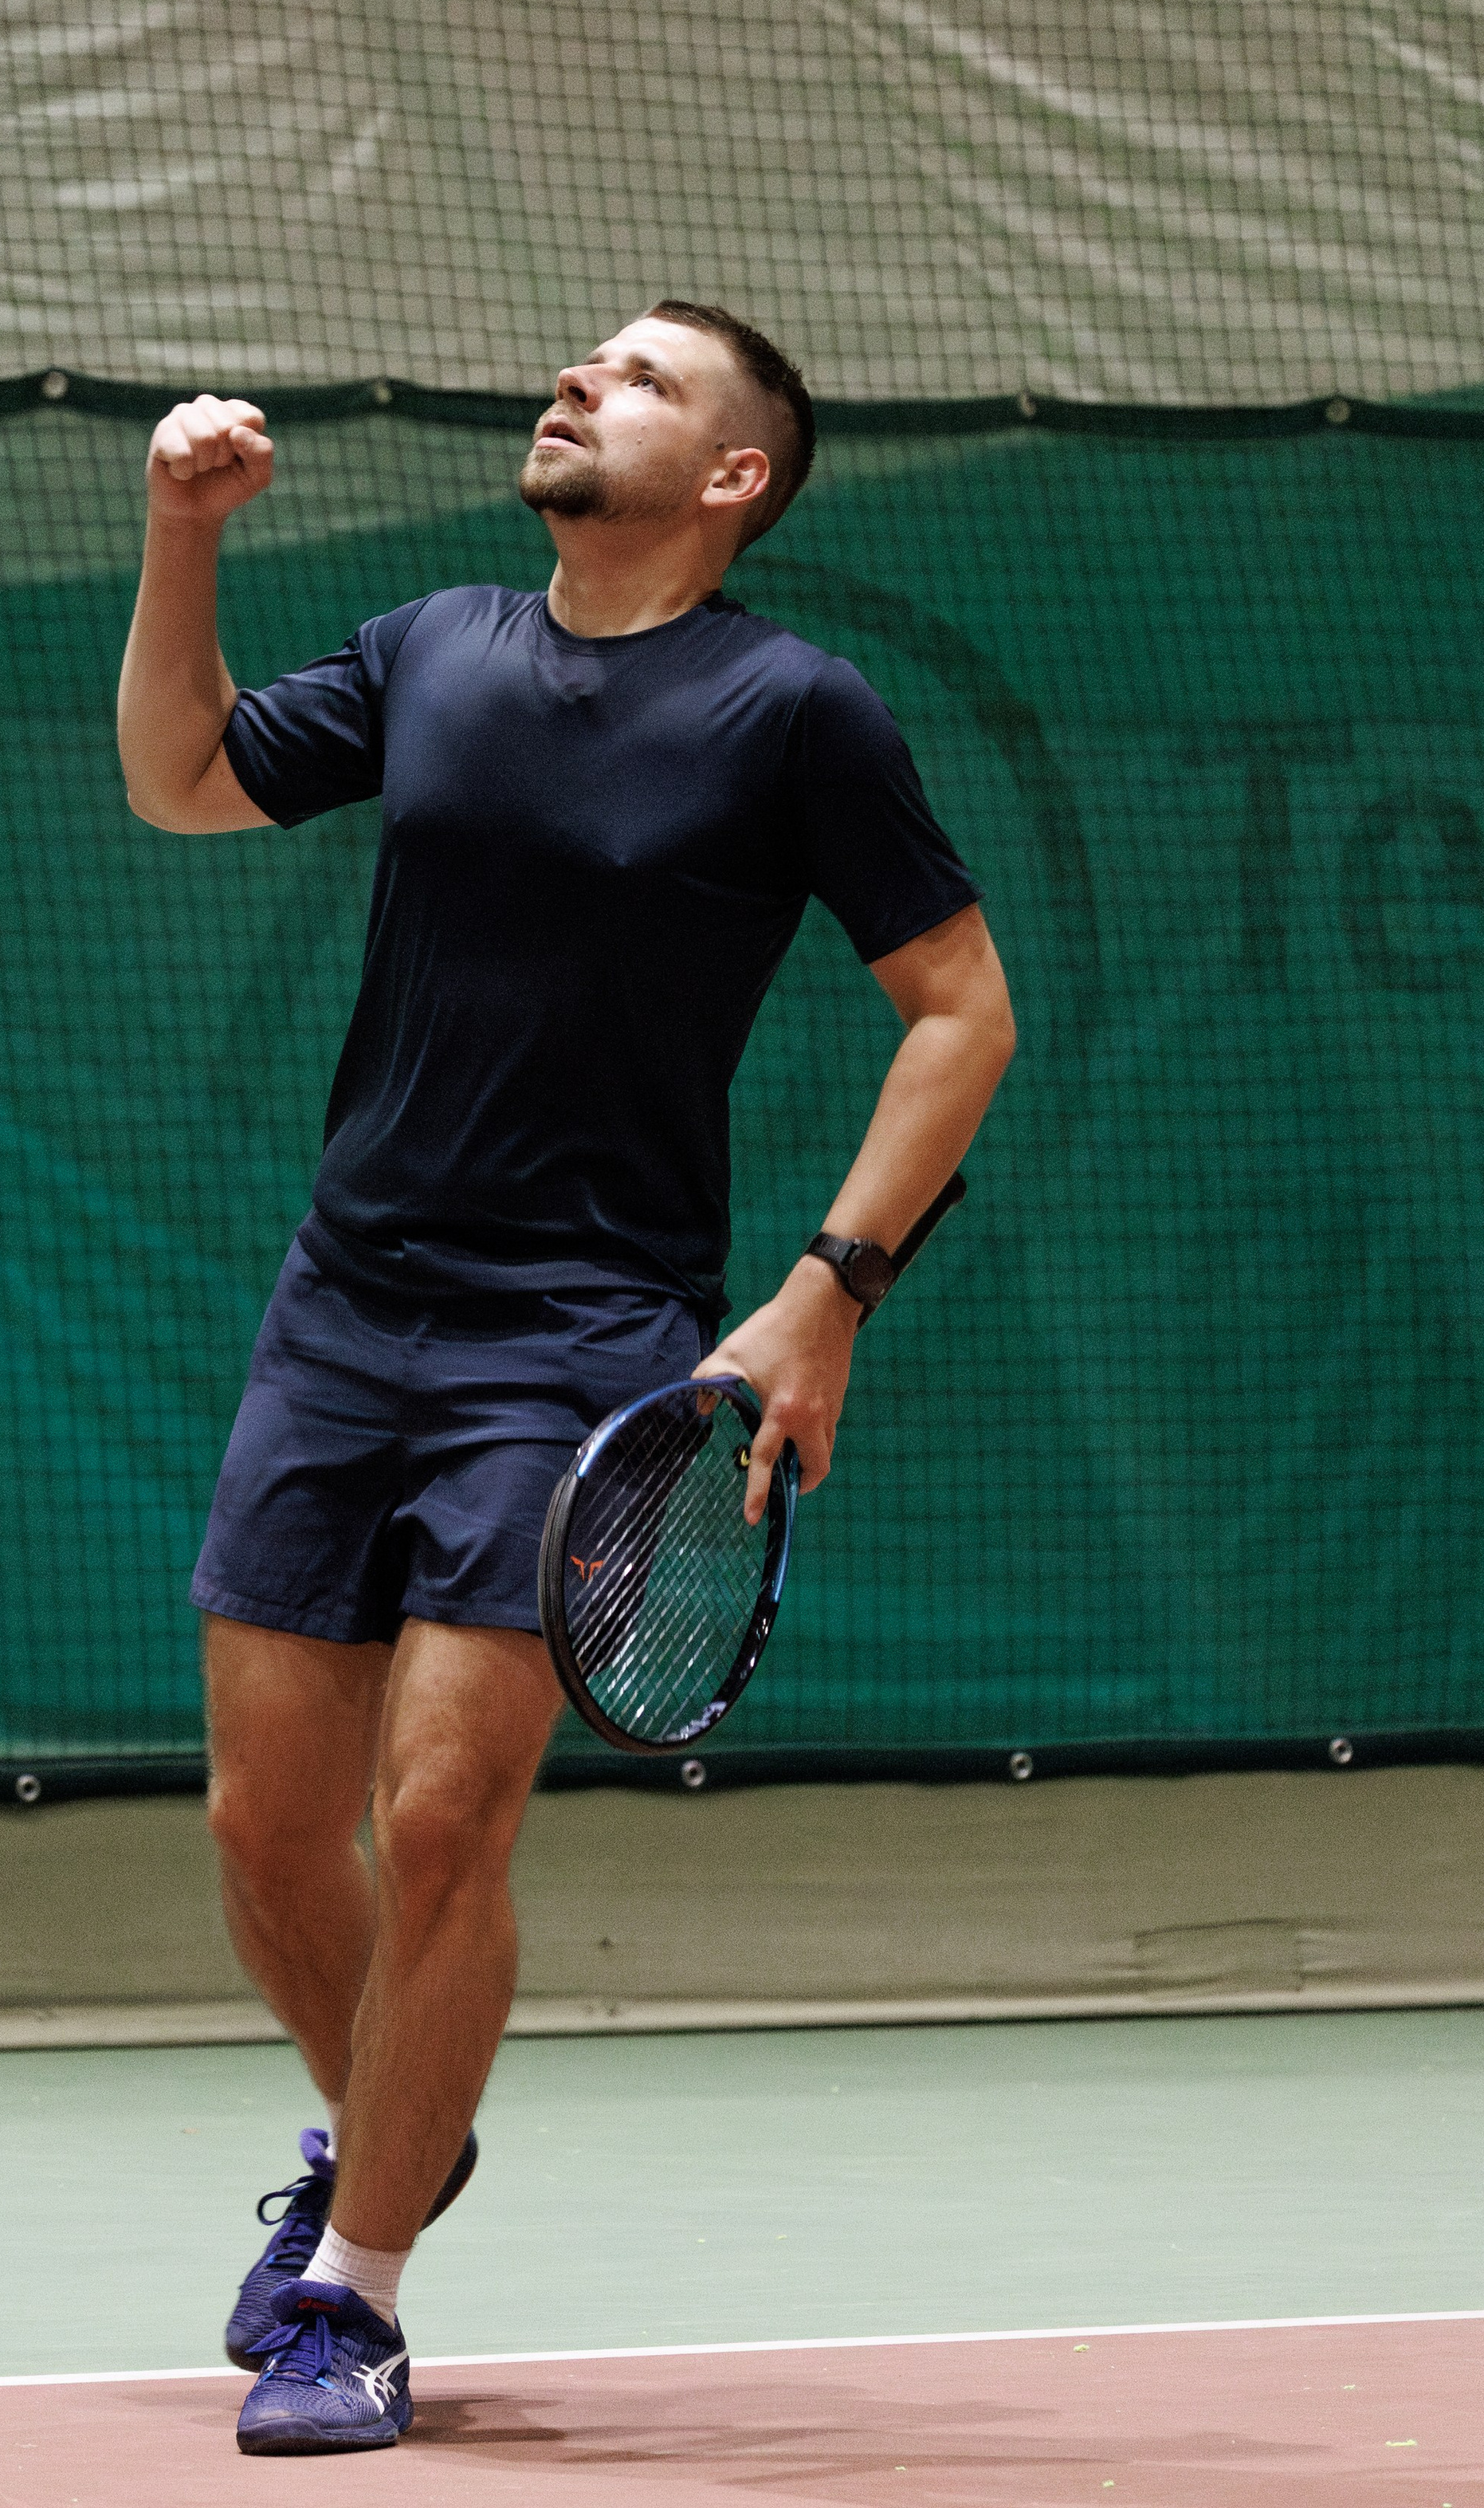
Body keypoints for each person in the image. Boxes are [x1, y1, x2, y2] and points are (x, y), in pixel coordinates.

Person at [115, 304, 1015, 2457]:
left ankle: (361, 2294)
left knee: (439, 1822)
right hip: (345, 1306)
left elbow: (959, 1008)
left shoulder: (796, 712)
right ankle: (389, 2133)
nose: (574, 384)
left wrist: (825, 1296)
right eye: (579, 364)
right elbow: (181, 779)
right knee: (265, 1830)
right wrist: (178, 537)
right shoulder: (432, 648)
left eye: (636, 380)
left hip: (585, 1328)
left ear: (733, 479)